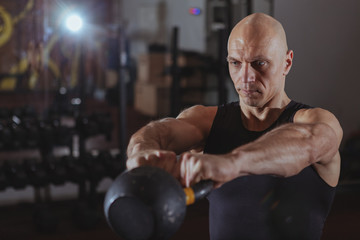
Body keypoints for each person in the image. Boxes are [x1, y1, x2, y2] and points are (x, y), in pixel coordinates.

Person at [126, 13, 342, 239]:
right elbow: (161, 132)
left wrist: (231, 163)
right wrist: (142, 150)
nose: (245, 77)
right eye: (235, 63)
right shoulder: (206, 121)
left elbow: (306, 143)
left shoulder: (317, 121)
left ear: (286, 63)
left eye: (259, 63)